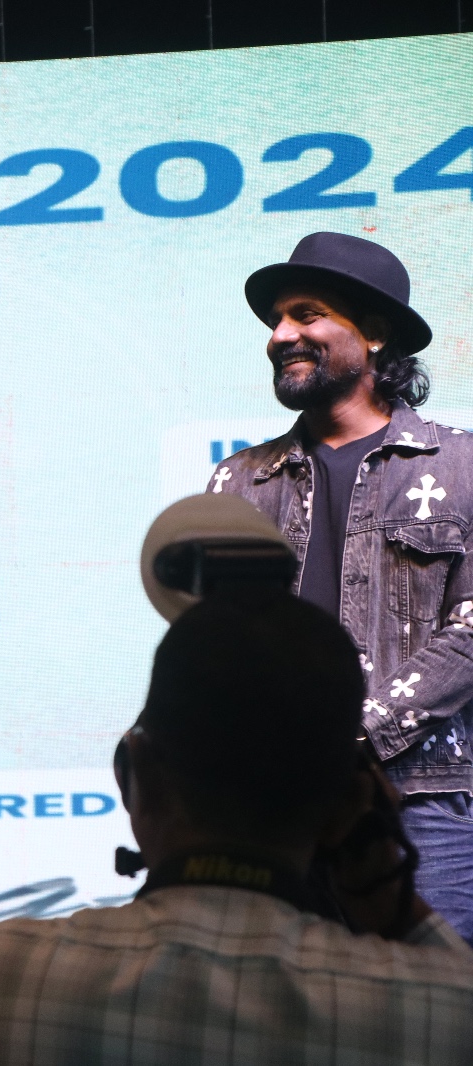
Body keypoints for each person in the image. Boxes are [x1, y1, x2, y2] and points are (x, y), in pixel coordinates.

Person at [0, 592, 473, 1064]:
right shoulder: (430, 1006)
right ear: (352, 807)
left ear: (131, 776)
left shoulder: (4, 970)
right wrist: (386, 894)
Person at [210, 231, 473, 942]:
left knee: (429, 1004)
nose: (280, 335)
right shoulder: (237, 481)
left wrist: (354, 737)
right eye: (276, 321)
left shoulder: (462, 467)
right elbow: (220, 645)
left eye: (307, 314)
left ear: (376, 333)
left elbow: (470, 635)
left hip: (422, 805)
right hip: (274, 815)